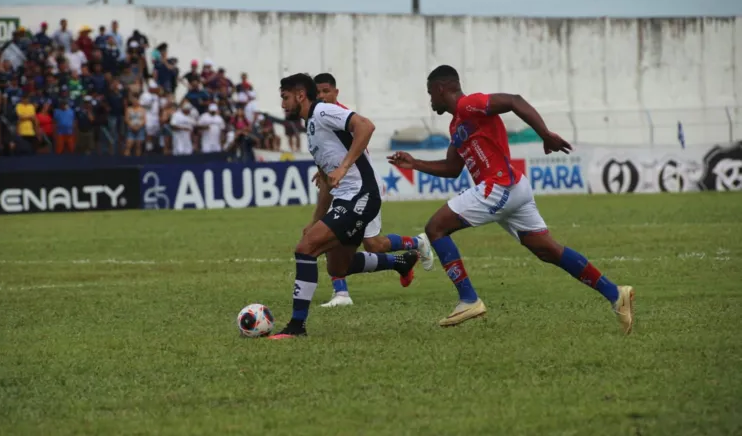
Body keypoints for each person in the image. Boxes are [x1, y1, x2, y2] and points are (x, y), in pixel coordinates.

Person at [388, 65, 635, 333]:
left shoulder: (469, 105)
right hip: (514, 188)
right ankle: (615, 294)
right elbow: (452, 168)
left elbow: (514, 101)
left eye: (430, 94)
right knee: (548, 250)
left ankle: (469, 299)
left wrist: (546, 134)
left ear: (440, 88)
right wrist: (415, 163)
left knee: (435, 228)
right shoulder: (456, 124)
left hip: (499, 186)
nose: (430, 101)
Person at [270, 73, 420, 339]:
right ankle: (401, 260)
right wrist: (315, 220)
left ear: (300, 95)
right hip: (346, 198)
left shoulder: (323, 111)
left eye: (285, 97)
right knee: (338, 268)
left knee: (305, 250)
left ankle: (296, 327)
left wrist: (345, 165)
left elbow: (366, 126)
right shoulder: (311, 130)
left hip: (360, 196)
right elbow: (328, 183)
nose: (282, 104)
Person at [314, 72, 435, 308]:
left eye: (326, 91)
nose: (321, 96)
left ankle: (416, 243)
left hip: (361, 185)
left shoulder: (338, 114)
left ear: (336, 93)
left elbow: (363, 134)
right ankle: (342, 293)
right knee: (331, 237)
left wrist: (342, 166)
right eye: (317, 92)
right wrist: (325, 169)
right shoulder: (317, 116)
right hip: (342, 186)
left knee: (373, 245)